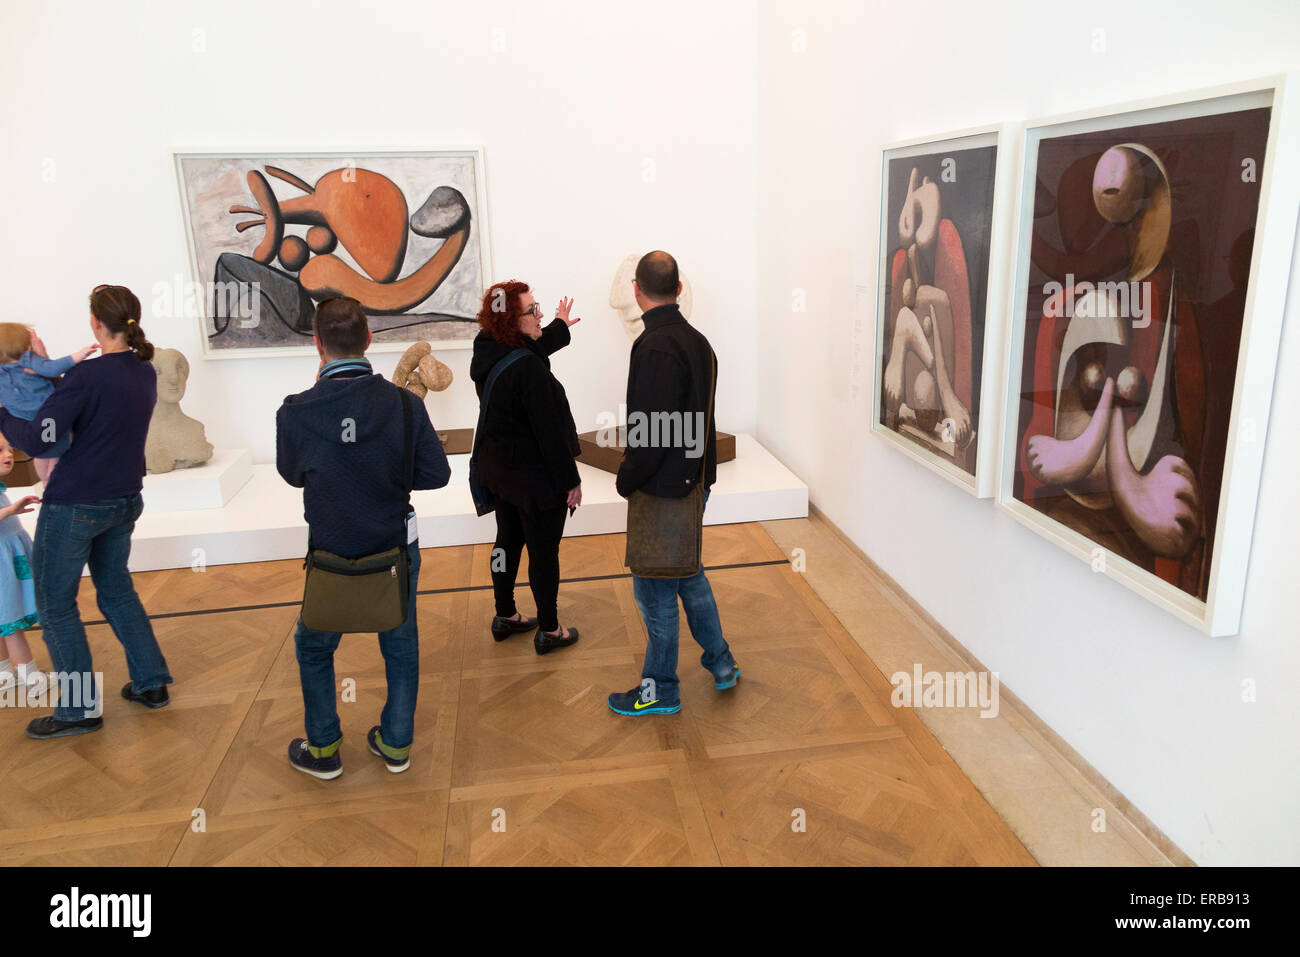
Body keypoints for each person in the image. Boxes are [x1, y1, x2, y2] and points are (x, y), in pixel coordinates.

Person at [276, 296, 451, 779]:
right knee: (401, 644)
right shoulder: (405, 405)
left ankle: (324, 748)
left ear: (317, 345)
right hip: (393, 546)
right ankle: (395, 746)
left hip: (332, 549)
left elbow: (293, 475)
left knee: (314, 647)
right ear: (369, 339)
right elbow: (436, 476)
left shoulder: (295, 411)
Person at [0, 284, 172, 739]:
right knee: (116, 591)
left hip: (77, 504)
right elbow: (87, 410)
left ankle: (77, 711)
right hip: (124, 499)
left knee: (55, 606)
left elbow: (38, 439)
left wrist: (3, 409)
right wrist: (46, 372)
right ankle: (152, 683)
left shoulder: (86, 377)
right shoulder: (142, 370)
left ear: (96, 324)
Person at [608, 251, 738, 716]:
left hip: (665, 491)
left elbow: (651, 432)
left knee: (654, 592)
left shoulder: (655, 347)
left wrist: (627, 478)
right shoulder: (698, 342)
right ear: (679, 288)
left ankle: (661, 687)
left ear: (637, 291)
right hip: (692, 481)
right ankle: (721, 664)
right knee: (688, 576)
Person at [469, 281, 583, 655]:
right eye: (533, 311)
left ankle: (505, 614)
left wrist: (560, 327)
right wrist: (571, 482)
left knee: (506, 543)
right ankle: (549, 629)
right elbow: (550, 435)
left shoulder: (487, 349)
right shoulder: (530, 371)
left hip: (500, 474)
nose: (541, 315)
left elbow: (528, 347)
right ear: (512, 321)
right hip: (534, 480)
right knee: (543, 554)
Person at [0, 323, 99, 483]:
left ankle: (47, 484)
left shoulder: (10, 368)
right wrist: (79, 355)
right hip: (46, 418)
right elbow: (53, 368)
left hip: (27, 422)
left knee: (42, 455)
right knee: (54, 452)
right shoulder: (29, 360)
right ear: (26, 345)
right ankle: (50, 484)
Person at [0, 433, 48, 698]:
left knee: (4, 621)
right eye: (0, 450)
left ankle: (4, 675)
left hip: (8, 559)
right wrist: (10, 510)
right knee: (11, 623)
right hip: (3, 564)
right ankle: (31, 678)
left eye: (8, 449)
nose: (8, 455)